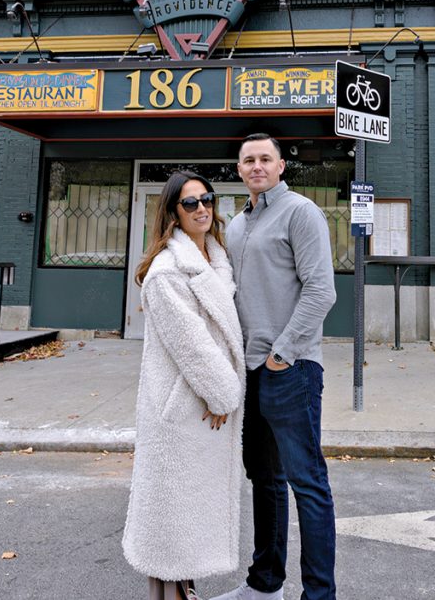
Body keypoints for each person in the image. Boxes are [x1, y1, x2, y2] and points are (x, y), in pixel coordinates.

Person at [213, 133, 338, 600]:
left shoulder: (301, 212)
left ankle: (319, 596)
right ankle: (265, 586)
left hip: (292, 369)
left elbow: (321, 291)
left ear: (282, 166)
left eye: (266, 158)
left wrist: (281, 354)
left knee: (307, 483)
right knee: (264, 481)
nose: (257, 166)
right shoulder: (239, 225)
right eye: (249, 160)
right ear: (240, 169)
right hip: (249, 371)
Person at [122, 170, 246, 600]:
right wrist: (224, 393)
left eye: (207, 199)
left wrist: (219, 393)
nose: (202, 209)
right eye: (190, 203)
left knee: (184, 525)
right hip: (183, 410)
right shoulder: (166, 271)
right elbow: (192, 346)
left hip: (204, 406)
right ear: (173, 214)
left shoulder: (216, 262)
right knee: (171, 527)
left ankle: (183, 591)